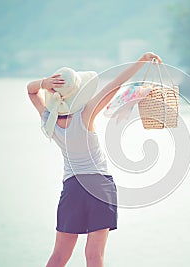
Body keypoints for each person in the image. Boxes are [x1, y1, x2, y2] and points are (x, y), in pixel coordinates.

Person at [27, 52, 162, 267]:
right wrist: (142, 60)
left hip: (73, 188)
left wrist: (44, 84)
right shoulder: (85, 114)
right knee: (94, 255)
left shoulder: (48, 121)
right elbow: (116, 84)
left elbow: (31, 91)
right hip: (99, 187)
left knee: (59, 256)